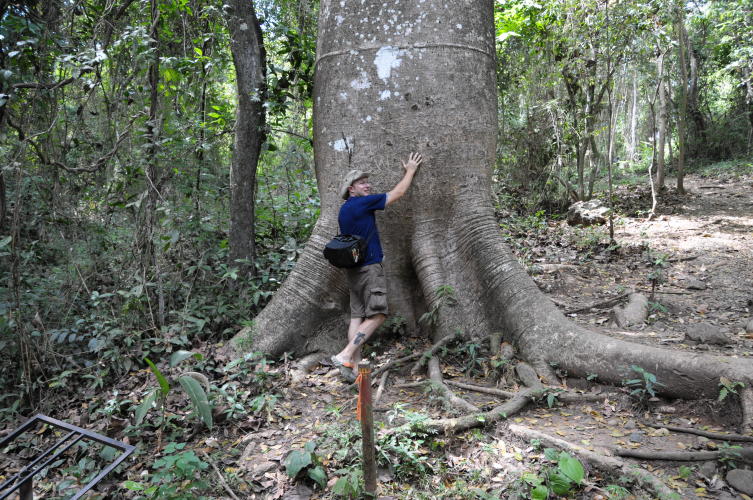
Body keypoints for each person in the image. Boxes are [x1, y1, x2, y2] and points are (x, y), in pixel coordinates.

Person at [331, 152, 423, 381]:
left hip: (353, 271)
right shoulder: (362, 203)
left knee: (357, 316)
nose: (367, 185)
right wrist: (410, 170)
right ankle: (345, 354)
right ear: (351, 189)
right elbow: (397, 193)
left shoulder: (345, 210)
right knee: (379, 314)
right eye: (362, 183)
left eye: (366, 181)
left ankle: (352, 367)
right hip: (369, 269)